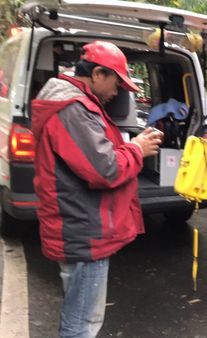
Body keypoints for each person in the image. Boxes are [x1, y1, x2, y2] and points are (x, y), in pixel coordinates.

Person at [31, 41, 162, 337]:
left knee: (81, 316)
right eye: (117, 83)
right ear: (99, 73)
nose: (118, 92)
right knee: (82, 324)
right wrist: (137, 149)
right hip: (84, 231)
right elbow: (105, 169)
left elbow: (94, 157)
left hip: (79, 225)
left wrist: (128, 146)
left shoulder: (72, 103)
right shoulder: (73, 109)